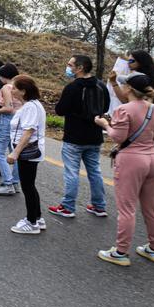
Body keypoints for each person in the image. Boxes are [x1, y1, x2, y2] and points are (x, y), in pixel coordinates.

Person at [94, 73, 154, 265]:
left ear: (128, 89)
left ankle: (121, 252)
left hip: (131, 160)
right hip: (153, 159)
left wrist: (104, 124)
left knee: (127, 208)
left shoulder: (123, 109)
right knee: (153, 208)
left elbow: (118, 137)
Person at [48, 55, 109, 219]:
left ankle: (67, 206)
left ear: (80, 68)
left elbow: (60, 110)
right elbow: (106, 107)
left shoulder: (72, 87)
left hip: (74, 136)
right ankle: (99, 205)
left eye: (70, 65)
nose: (68, 67)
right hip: (95, 136)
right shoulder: (101, 86)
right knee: (95, 172)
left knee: (71, 172)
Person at [6, 75, 47, 236]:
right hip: (29, 151)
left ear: (23, 91)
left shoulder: (31, 107)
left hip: (28, 151)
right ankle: (37, 217)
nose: (12, 90)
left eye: (15, 87)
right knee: (30, 185)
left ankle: (31, 222)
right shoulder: (31, 105)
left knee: (28, 186)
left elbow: (28, 132)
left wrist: (15, 153)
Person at [127, 50, 154, 186]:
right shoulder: (134, 76)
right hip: (139, 118)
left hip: (148, 120)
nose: (128, 63)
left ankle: (151, 176)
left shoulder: (148, 79)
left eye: (131, 60)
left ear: (140, 62)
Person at [0, 63, 22, 196]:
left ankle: (8, 183)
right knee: (15, 152)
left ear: (3, 75)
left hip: (7, 121)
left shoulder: (7, 87)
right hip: (19, 121)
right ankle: (15, 182)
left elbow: (8, 108)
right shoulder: (20, 86)